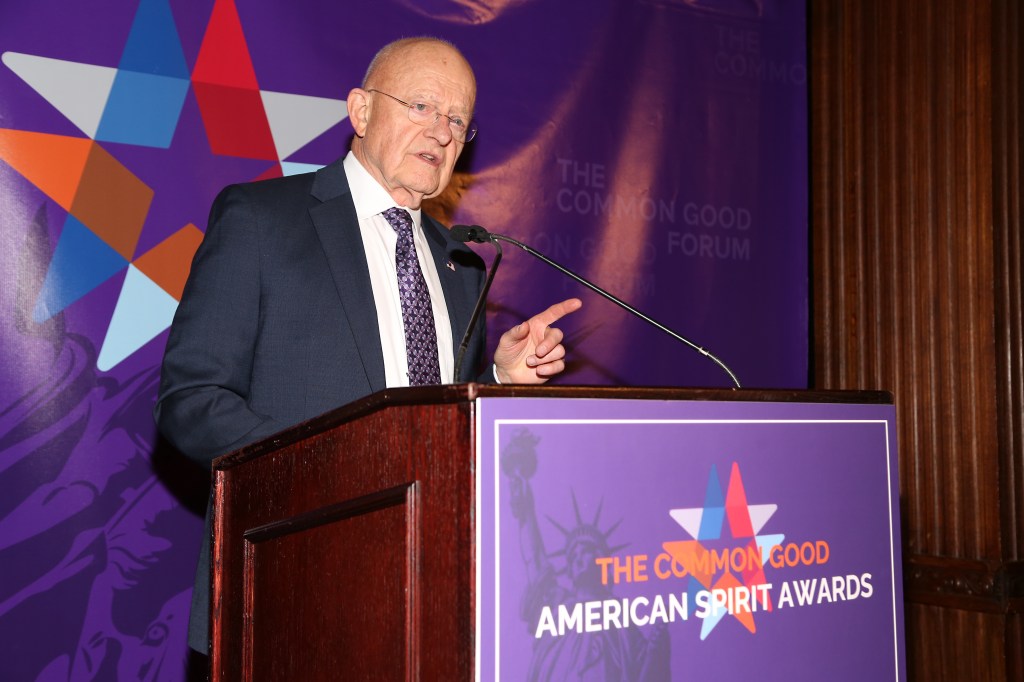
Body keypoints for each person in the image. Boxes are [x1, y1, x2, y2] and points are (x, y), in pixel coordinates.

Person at [154, 36, 581, 654]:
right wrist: (331, 473)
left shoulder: (460, 267)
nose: (441, 131)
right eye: (421, 106)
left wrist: (499, 379)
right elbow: (192, 399)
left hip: (430, 597)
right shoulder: (261, 219)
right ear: (360, 111)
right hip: (294, 580)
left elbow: (434, 434)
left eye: (458, 120)